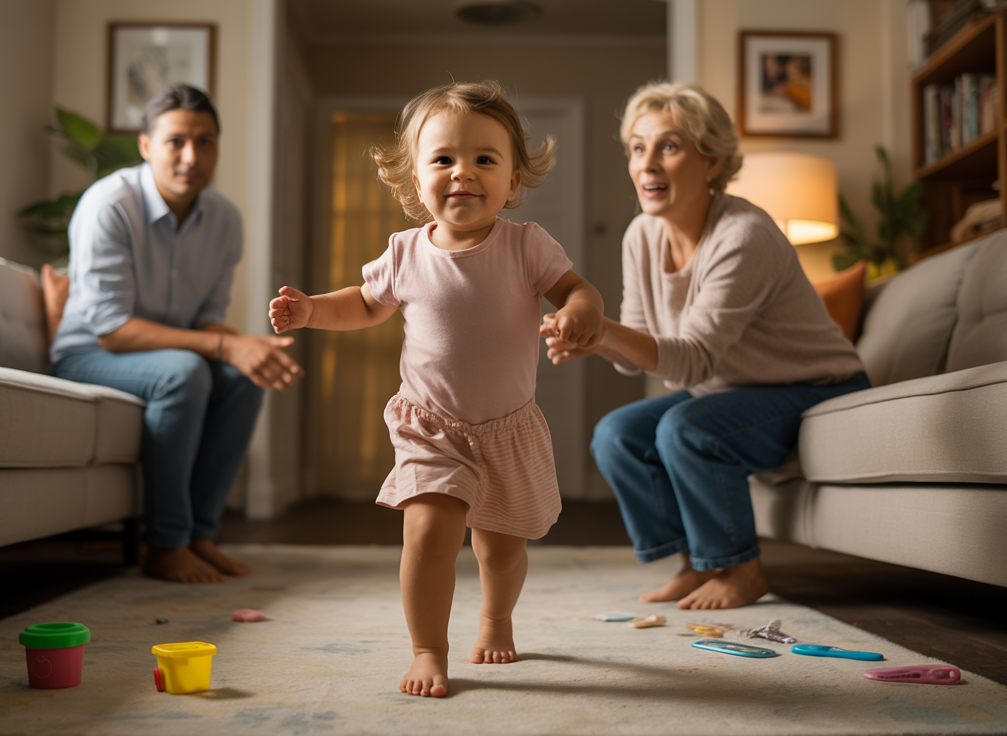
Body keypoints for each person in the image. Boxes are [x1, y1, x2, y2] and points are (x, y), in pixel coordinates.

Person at [269, 81, 603, 698]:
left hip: (507, 426)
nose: (463, 173)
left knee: (501, 550)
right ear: (413, 178)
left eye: (484, 159)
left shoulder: (527, 246)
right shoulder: (404, 253)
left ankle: (497, 616)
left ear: (513, 181)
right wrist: (313, 309)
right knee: (426, 535)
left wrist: (581, 310)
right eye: (443, 158)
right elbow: (365, 304)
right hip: (431, 426)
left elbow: (579, 290)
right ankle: (429, 648)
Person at [542, 81, 870, 611]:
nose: (647, 163)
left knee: (686, 428)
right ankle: (695, 564)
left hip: (816, 388)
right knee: (617, 434)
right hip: (731, 389)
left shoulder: (744, 235)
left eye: (669, 147)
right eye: (638, 147)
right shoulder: (640, 235)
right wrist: (592, 341)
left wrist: (602, 329)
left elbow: (691, 359)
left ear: (712, 162)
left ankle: (741, 570)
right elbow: (640, 343)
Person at [51, 84, 303, 584]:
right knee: (185, 372)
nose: (192, 156)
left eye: (206, 141)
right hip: (88, 353)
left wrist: (246, 351)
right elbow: (113, 332)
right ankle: (164, 544)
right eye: (176, 142)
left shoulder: (225, 220)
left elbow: (207, 320)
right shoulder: (110, 206)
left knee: (242, 377)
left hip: (166, 354)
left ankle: (199, 534)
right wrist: (224, 345)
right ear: (146, 146)